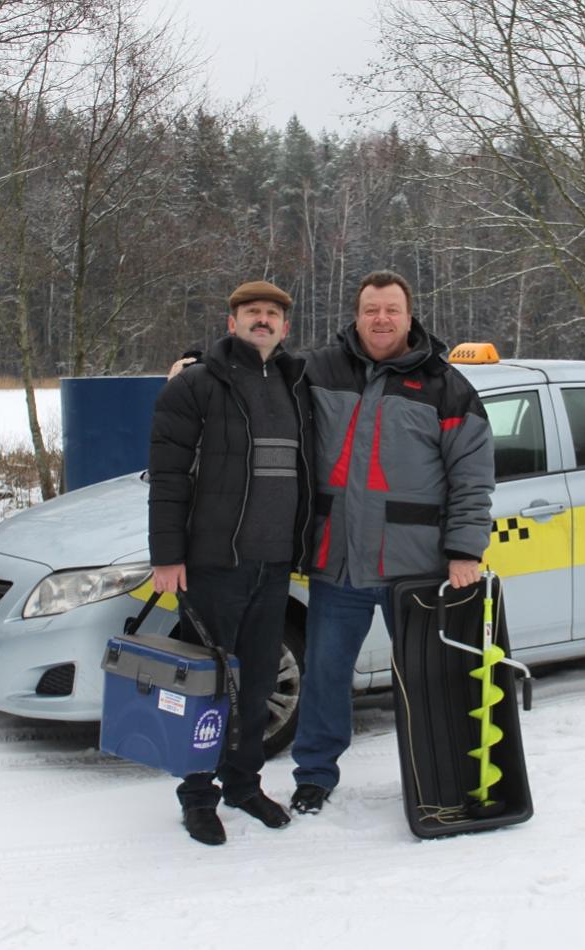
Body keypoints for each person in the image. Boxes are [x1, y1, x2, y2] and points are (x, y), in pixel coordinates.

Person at [289, 270, 495, 815]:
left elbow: (472, 478)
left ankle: (438, 772)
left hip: (416, 570)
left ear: (409, 316)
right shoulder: (318, 369)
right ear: (357, 316)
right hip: (338, 564)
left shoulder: (446, 386)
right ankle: (314, 775)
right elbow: (253, 378)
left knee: (428, 680)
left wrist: (465, 550)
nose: (381, 319)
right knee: (325, 677)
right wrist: (196, 362)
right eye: (371, 310)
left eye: (391, 310)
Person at [147, 279, 313, 846]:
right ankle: (198, 795)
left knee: (260, 681)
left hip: (274, 564)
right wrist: (167, 556)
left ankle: (243, 784)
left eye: (272, 314)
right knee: (207, 686)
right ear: (231, 322)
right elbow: (168, 476)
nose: (262, 320)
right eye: (251, 312)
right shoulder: (195, 385)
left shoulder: (296, 383)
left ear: (285, 327)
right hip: (213, 563)